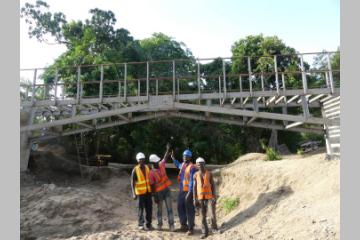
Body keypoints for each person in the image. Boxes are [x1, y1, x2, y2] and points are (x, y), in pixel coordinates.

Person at [148, 145, 175, 232]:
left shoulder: (161, 164)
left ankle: (171, 225)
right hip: (158, 193)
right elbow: (152, 186)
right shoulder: (151, 173)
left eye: (158, 161)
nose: (158, 162)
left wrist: (167, 149)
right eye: (156, 161)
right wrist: (154, 196)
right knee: (159, 210)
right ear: (152, 163)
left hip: (166, 190)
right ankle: (159, 225)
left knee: (169, 209)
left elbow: (165, 157)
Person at [171, 149, 198, 235]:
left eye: (187, 156)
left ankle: (191, 228)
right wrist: (173, 158)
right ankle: (183, 225)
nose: (185, 158)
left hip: (189, 191)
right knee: (180, 207)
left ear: (190, 157)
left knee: (190, 209)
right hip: (182, 190)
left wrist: (190, 193)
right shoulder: (182, 165)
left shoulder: (192, 167)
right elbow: (178, 164)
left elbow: (192, 181)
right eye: (184, 156)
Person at [193, 157, 218, 239]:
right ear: (197, 166)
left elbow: (213, 186)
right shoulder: (195, 175)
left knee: (212, 214)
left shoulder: (209, 174)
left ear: (204, 164)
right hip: (200, 198)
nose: (200, 166)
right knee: (202, 216)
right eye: (199, 165)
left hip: (209, 197)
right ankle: (205, 232)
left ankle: (214, 228)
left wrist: (214, 196)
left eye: (202, 164)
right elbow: (194, 187)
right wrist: (194, 199)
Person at [130, 152, 154, 231]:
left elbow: (151, 179)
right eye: (140, 160)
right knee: (141, 209)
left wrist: (153, 190)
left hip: (148, 192)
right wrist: (133, 193)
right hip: (140, 193)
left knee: (149, 209)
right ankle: (141, 224)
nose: (142, 161)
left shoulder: (148, 167)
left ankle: (149, 224)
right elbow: (132, 182)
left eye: (143, 159)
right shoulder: (135, 170)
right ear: (137, 160)